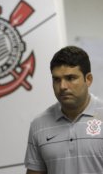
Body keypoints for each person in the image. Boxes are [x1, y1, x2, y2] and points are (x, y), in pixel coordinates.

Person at [24, 46, 103, 174]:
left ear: (88, 79)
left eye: (70, 78)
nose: (62, 86)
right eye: (56, 79)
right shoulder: (39, 125)